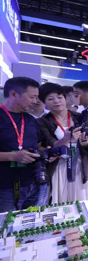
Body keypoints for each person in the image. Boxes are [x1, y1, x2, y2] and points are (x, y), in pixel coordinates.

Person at [36, 83, 88, 202]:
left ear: (65, 98)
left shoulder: (80, 117)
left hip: (80, 166)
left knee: (82, 201)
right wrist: (66, 139)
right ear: (44, 103)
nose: (56, 101)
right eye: (50, 99)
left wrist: (84, 143)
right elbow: (50, 145)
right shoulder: (42, 122)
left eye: (59, 97)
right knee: (59, 201)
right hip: (58, 167)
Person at [0, 77, 49, 212]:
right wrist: (12, 156)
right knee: (6, 223)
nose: (36, 101)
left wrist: (47, 153)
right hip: (5, 188)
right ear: (13, 94)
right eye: (32, 97)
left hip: (35, 184)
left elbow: (38, 146)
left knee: (34, 222)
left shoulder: (30, 119)